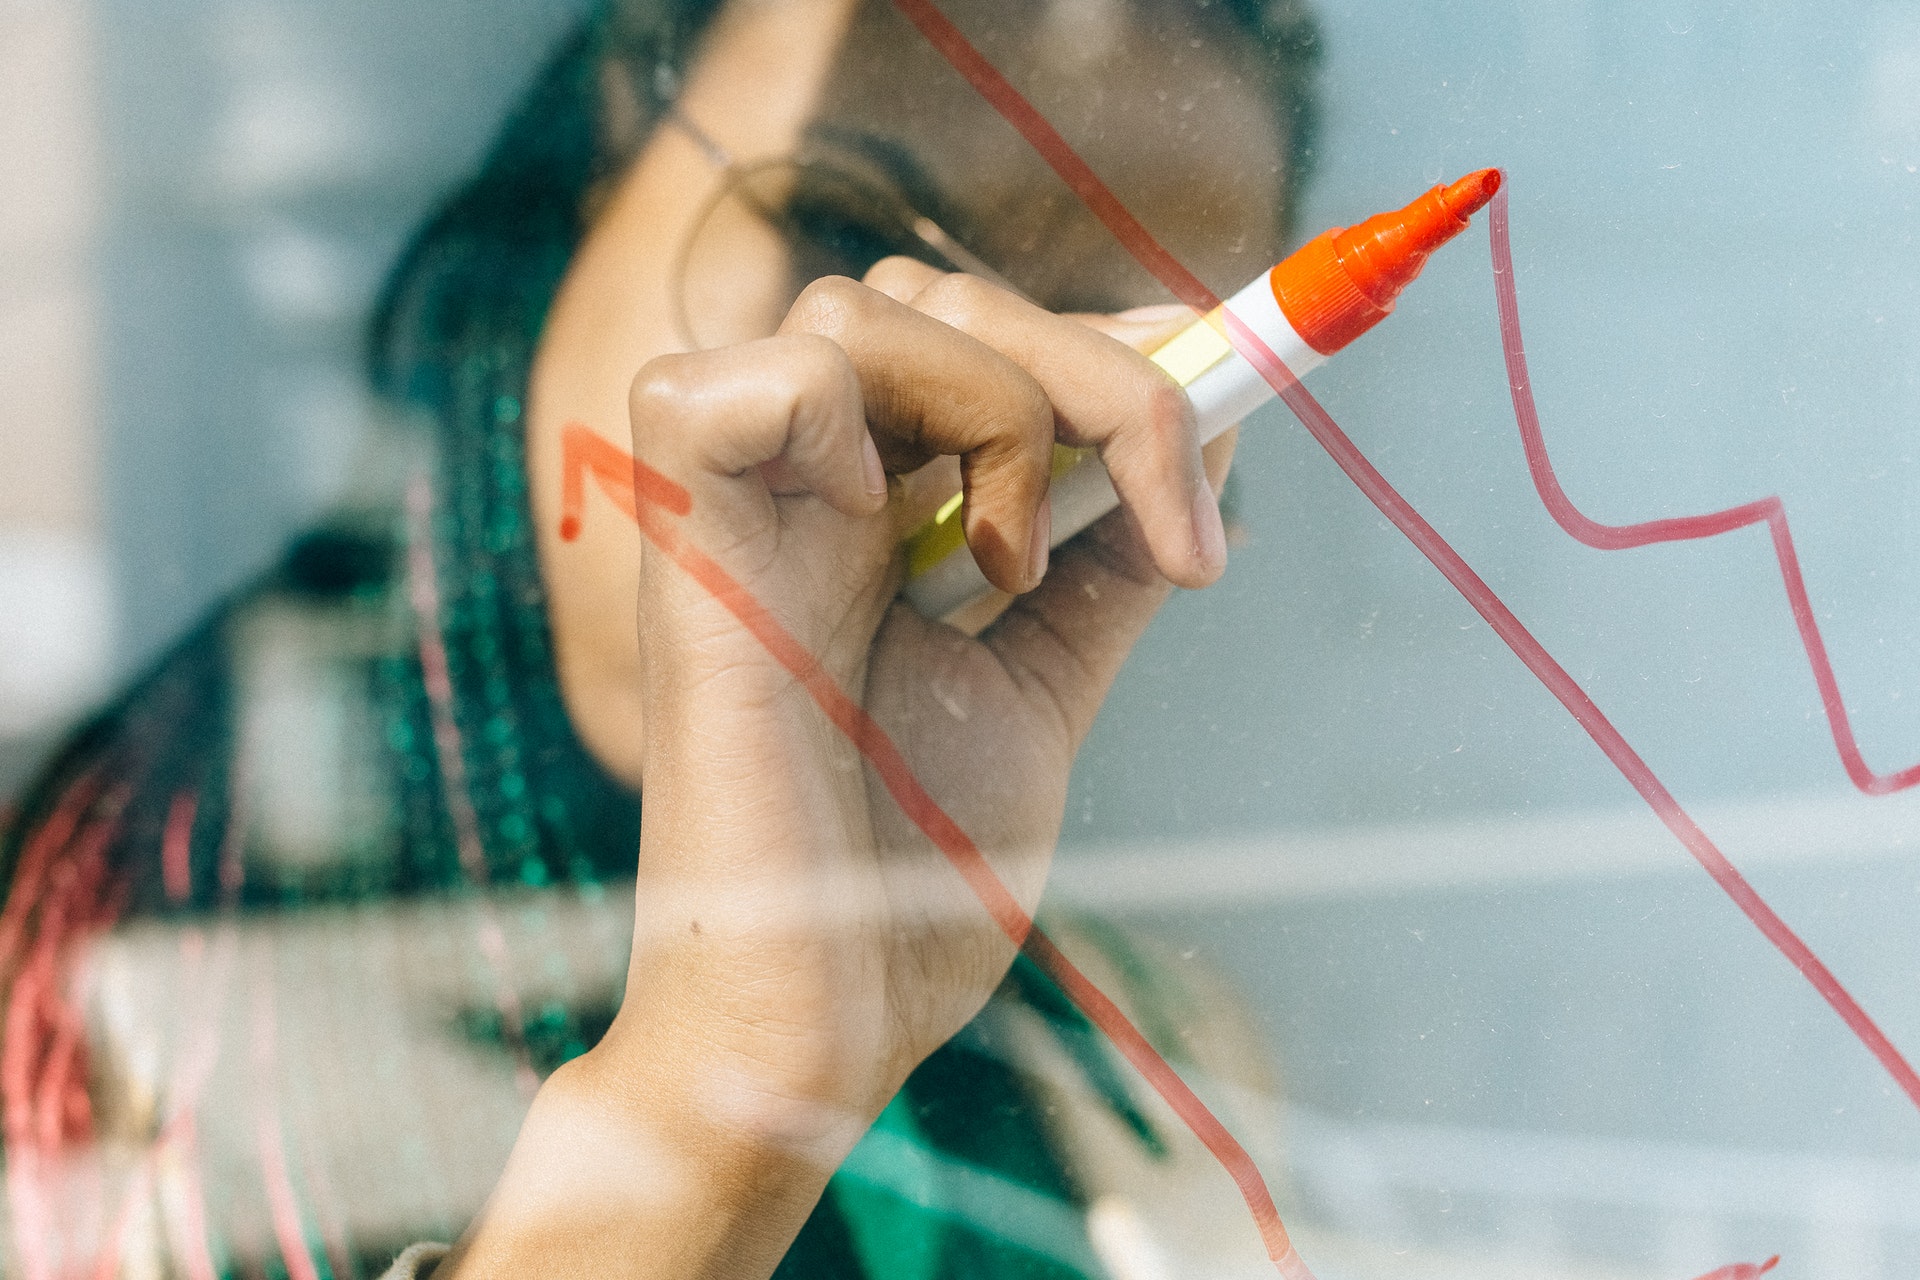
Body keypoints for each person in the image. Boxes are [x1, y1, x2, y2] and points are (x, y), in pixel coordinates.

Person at [0, 0, 1319, 1275]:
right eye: (841, 233)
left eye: (1091, 418)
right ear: (606, 153)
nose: (948, 431)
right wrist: (712, 1105)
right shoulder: (98, 990)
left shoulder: (1153, 1071)